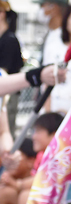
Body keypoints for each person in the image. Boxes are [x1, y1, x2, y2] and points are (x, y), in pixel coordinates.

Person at [0, 112, 63, 204]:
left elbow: (44, 178)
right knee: (4, 193)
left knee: (25, 196)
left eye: (38, 131)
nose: (33, 136)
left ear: (54, 134)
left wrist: (18, 184)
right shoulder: (40, 155)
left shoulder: (59, 155)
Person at [42, 2, 71, 114]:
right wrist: (48, 112)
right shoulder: (54, 47)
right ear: (66, 21)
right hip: (56, 109)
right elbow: (46, 82)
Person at [0, 1, 23, 135]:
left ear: (2, 14)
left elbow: (3, 72)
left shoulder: (9, 39)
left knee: (5, 134)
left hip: (7, 95)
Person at [37, 0, 67, 64]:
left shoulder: (62, 36)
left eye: (44, 6)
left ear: (55, 8)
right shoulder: (50, 33)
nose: (42, 10)